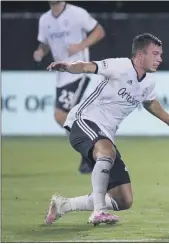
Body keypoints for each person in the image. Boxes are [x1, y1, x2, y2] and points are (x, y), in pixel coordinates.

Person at [44, 33, 169, 226]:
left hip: (105, 135)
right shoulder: (120, 66)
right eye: (155, 54)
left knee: (123, 199)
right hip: (84, 120)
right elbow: (88, 66)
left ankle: (64, 206)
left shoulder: (148, 81)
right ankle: (98, 212)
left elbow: (150, 102)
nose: (159, 59)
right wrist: (70, 67)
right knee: (107, 152)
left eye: (160, 54)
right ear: (140, 54)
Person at [33, 1, 106, 174]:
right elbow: (44, 43)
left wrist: (80, 46)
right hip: (61, 76)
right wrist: (40, 52)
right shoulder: (45, 20)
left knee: (61, 115)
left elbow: (99, 31)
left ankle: (91, 150)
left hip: (78, 72)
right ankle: (93, 150)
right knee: (72, 117)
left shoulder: (77, 13)